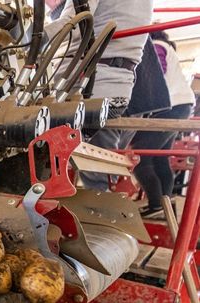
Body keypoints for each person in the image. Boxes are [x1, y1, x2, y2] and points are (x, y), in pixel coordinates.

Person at [45, 0, 154, 191]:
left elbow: (74, 24)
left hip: (93, 86)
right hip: (117, 87)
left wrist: (25, 39)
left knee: (57, 159)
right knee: (94, 170)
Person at [130, 31, 196, 218]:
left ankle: (156, 205)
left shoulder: (156, 45)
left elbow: (156, 74)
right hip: (181, 106)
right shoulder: (167, 47)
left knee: (139, 158)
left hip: (170, 106)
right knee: (160, 159)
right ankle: (165, 204)